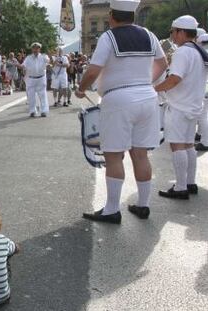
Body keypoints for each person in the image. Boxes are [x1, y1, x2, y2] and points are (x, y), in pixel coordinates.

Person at [76, 0, 167, 223]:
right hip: (147, 98)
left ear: (111, 16)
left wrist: (81, 88)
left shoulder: (108, 37)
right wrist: (146, 82)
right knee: (141, 154)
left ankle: (112, 209)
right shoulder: (148, 34)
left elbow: (94, 69)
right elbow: (163, 63)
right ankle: (143, 205)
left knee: (114, 155)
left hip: (119, 100)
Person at [156, 15, 208, 200]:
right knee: (188, 146)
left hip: (179, 106)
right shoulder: (199, 52)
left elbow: (174, 79)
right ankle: (190, 182)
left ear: (181, 32)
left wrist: (154, 88)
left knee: (177, 146)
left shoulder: (183, 52)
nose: (172, 36)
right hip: (193, 106)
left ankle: (180, 187)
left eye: (173, 32)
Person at [20, 42, 50, 117]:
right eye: (34, 48)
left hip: (41, 78)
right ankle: (32, 111)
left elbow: (48, 61)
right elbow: (23, 65)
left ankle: (43, 111)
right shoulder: (28, 58)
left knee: (42, 95)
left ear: (40, 49)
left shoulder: (44, 56)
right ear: (32, 49)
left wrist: (49, 63)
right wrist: (20, 66)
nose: (35, 50)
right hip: (31, 78)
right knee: (31, 96)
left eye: (37, 48)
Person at [195, 33, 208, 151]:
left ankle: (205, 142)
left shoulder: (202, 53)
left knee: (203, 116)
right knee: (203, 115)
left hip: (205, 89)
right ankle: (199, 134)